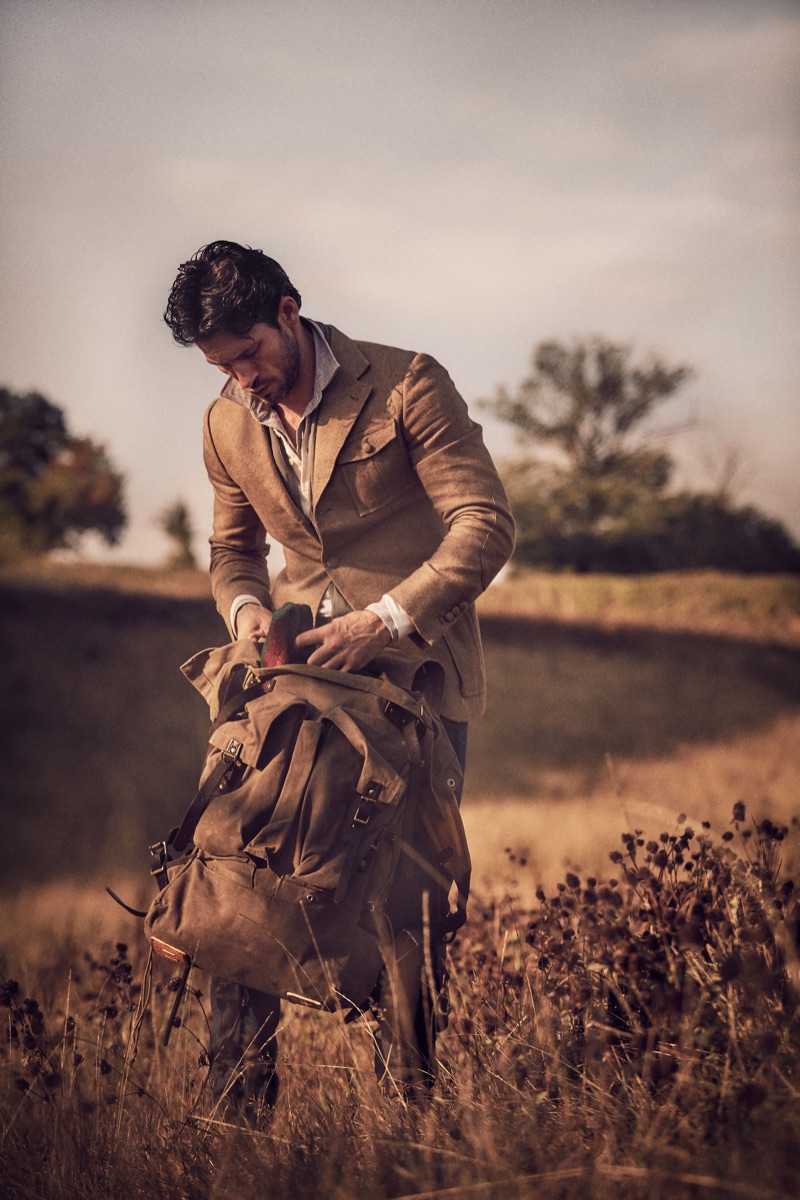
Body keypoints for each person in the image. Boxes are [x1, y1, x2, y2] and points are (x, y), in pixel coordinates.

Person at [163, 240, 515, 1118]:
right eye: (220, 366)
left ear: (289, 311)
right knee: (236, 880)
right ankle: (236, 1120)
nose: (241, 379)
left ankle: (411, 1122)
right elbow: (233, 553)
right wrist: (246, 616)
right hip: (288, 689)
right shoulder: (224, 421)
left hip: (415, 683)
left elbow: (484, 525)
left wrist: (383, 621)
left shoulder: (409, 383)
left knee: (409, 913)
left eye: (248, 354)